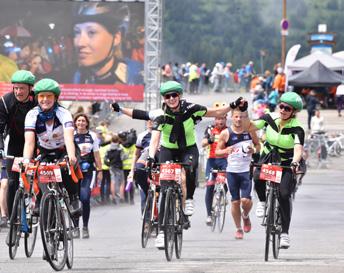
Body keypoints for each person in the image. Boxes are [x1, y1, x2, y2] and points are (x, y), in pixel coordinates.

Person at [147, 81, 247, 248]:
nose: (171, 99)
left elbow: (216, 111)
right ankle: (163, 231)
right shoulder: (161, 115)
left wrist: (233, 105)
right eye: (167, 96)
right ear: (164, 99)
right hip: (168, 150)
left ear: (179, 96)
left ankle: (189, 200)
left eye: (174, 95)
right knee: (164, 190)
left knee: (190, 168)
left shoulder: (190, 108)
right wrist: (151, 157)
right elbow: (155, 138)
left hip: (188, 148)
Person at [251, 92, 305, 249]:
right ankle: (261, 201)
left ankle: (285, 234)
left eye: (287, 108)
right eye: (281, 106)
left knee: (284, 194)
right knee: (256, 176)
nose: (282, 110)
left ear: (293, 112)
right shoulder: (270, 117)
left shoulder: (297, 128)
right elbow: (251, 126)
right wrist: (242, 116)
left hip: (287, 162)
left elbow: (298, 149)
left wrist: (295, 162)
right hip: (269, 156)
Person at [23, 78, 81, 221]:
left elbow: (68, 138)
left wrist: (71, 156)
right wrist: (26, 160)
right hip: (45, 151)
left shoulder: (63, 113)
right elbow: (29, 142)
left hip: (64, 149)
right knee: (38, 171)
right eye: (42, 96)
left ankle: (73, 198)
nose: (45, 100)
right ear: (37, 98)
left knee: (66, 167)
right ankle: (41, 199)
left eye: (49, 96)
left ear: (55, 98)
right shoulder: (32, 114)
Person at [216, 108, 260, 239]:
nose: (239, 119)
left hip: (246, 170)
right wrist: (226, 150)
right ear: (232, 117)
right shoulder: (226, 133)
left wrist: (254, 150)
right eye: (236, 117)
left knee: (246, 200)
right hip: (232, 172)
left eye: (242, 117)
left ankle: (245, 216)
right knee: (235, 202)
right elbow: (217, 151)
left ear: (245, 118)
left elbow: (258, 146)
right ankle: (238, 228)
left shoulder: (250, 131)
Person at [72, 2, 143, 85]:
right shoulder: (79, 77)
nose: (80, 43)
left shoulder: (138, 76)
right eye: (77, 32)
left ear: (116, 37)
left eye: (91, 32)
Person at [0, 70, 36, 219]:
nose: (18, 91)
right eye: (16, 88)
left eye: (22, 88)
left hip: (35, 142)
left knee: (37, 176)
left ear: (30, 88)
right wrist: (0, 147)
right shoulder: (5, 101)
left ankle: (37, 203)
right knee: (11, 182)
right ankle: (12, 220)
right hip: (13, 143)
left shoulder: (38, 99)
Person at [74, 113, 102, 239]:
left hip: (89, 171)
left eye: (83, 121)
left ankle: (85, 226)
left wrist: (100, 170)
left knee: (85, 199)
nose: (80, 123)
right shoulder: (70, 135)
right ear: (75, 123)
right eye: (78, 121)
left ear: (86, 123)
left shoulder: (92, 136)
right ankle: (75, 227)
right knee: (74, 199)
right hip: (74, 172)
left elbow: (96, 154)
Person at [201, 104, 228, 226]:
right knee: (210, 186)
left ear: (226, 119)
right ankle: (208, 214)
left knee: (227, 181)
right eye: (218, 118)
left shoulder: (229, 130)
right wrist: (210, 140)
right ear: (215, 119)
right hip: (212, 160)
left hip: (225, 160)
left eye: (222, 118)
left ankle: (222, 195)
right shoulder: (210, 128)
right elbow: (203, 143)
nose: (220, 121)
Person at [105, 134, 126, 204]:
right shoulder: (120, 148)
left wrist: (109, 164)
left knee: (113, 182)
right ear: (118, 140)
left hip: (112, 167)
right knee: (122, 182)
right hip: (119, 166)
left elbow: (106, 158)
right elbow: (123, 157)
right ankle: (121, 197)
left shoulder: (108, 148)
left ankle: (113, 197)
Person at [0, 159, 9, 227]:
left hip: (12, 159)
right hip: (4, 159)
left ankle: (7, 213)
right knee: (4, 184)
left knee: (6, 185)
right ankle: (4, 215)